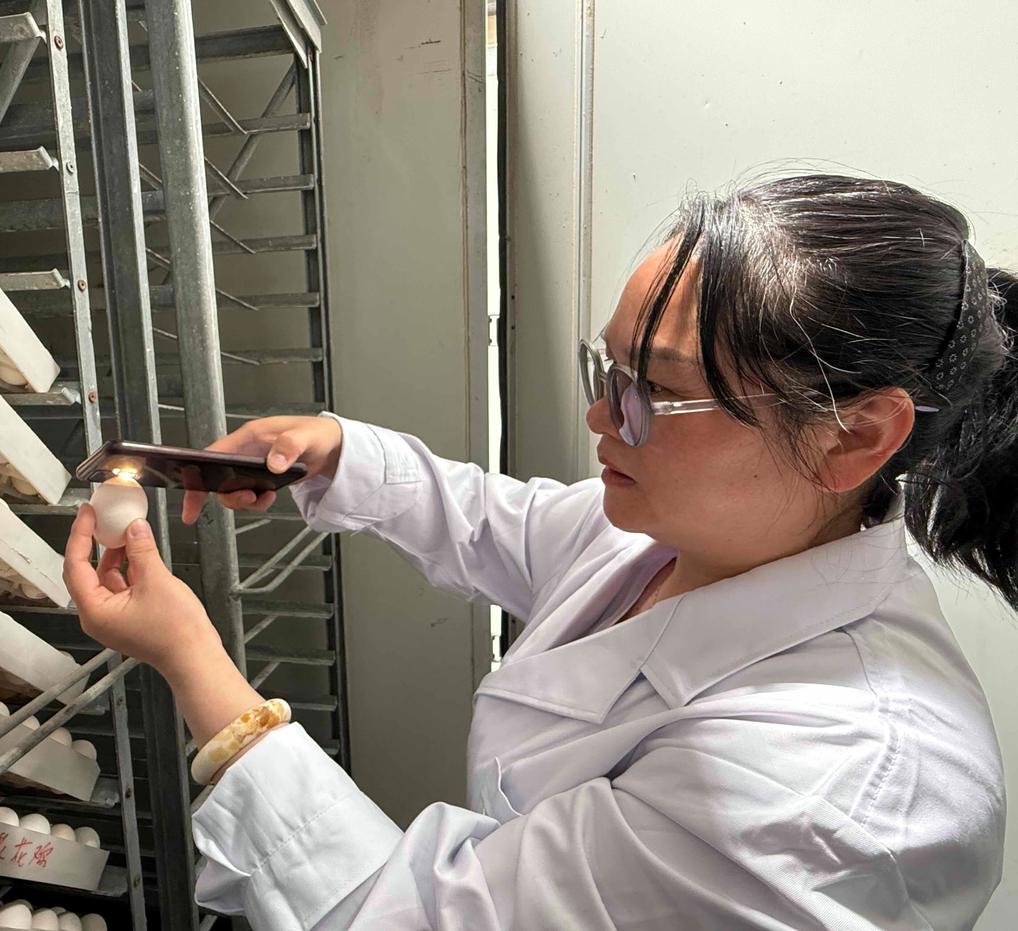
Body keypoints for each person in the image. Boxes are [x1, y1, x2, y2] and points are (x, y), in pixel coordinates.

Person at [62, 174, 1012, 930]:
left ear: (855, 435)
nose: (602, 415)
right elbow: (501, 521)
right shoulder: (695, 536)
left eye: (653, 391)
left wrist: (192, 659)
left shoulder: (823, 788)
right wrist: (336, 449)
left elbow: (414, 919)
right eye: (610, 368)